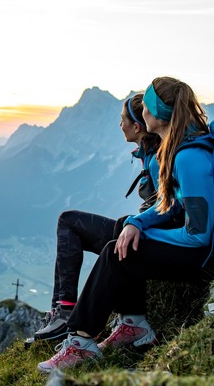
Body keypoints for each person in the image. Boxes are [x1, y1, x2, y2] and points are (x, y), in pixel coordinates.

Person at [38, 76, 214, 373]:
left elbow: (198, 235)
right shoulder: (179, 147)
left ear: (154, 115)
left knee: (117, 253)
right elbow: (176, 204)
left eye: (146, 105)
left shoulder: (190, 157)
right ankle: (133, 325)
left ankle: (80, 343)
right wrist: (138, 223)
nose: (140, 109)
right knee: (127, 240)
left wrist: (144, 236)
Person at [31, 93, 161, 342]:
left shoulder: (156, 159)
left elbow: (168, 207)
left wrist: (135, 222)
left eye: (122, 119)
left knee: (68, 221)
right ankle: (62, 308)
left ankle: (65, 310)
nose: (119, 124)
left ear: (136, 126)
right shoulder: (149, 152)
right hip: (144, 231)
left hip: (147, 235)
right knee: (68, 222)